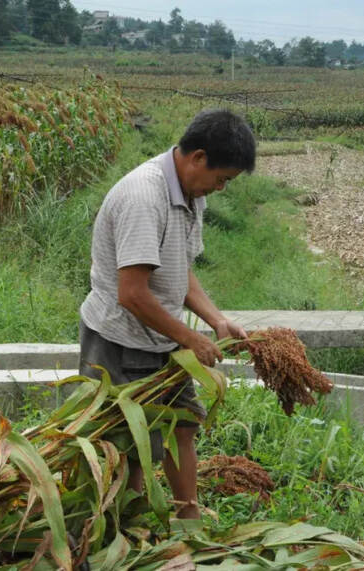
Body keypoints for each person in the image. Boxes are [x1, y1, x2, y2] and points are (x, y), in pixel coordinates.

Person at [78, 109, 257, 519]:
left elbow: (179, 268)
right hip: (121, 341)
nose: (222, 187)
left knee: (183, 424)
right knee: (129, 446)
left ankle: (187, 517)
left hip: (161, 336)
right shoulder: (145, 197)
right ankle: (127, 533)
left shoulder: (192, 194)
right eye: (222, 178)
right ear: (197, 158)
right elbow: (133, 294)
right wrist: (191, 338)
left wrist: (215, 320)